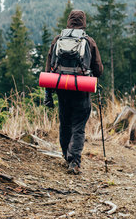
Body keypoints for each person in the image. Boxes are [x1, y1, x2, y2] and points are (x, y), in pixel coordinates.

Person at [44, 10, 103, 175]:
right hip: (81, 90)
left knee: (65, 123)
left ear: (69, 21)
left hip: (62, 89)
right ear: (83, 22)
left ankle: (66, 155)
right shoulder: (88, 41)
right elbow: (98, 70)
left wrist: (48, 94)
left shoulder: (58, 40)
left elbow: (49, 68)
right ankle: (74, 161)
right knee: (78, 126)